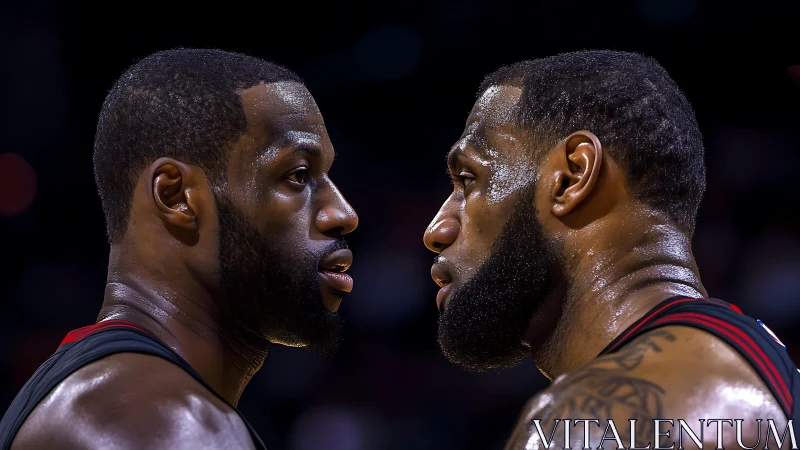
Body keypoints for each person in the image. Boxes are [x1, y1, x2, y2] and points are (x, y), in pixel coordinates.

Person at [422, 50, 800, 449]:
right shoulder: (751, 366)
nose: (437, 230)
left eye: (468, 178)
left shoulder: (592, 416)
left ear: (572, 176)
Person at [1, 48, 358, 450]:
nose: (343, 213)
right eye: (298, 175)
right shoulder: (173, 425)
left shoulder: (96, 395)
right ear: (176, 197)